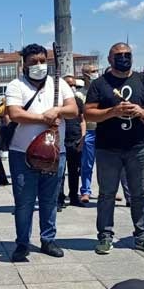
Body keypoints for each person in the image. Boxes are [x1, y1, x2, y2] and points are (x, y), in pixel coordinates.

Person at [84, 43, 144, 255]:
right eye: (119, 55)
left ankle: (143, 235)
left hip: (139, 146)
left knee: (140, 193)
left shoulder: (143, 81)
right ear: (110, 59)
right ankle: (105, 235)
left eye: (127, 54)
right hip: (108, 147)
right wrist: (113, 111)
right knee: (107, 193)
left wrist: (142, 112)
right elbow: (89, 113)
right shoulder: (100, 84)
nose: (124, 58)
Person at [5, 44, 78, 261]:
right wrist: (42, 118)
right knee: (24, 201)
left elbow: (73, 110)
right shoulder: (16, 85)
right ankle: (22, 243)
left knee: (49, 199)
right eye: (33, 62)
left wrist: (58, 110)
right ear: (24, 64)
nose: (38, 65)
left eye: (42, 60)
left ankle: (48, 239)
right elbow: (15, 113)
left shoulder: (59, 83)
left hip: (55, 152)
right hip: (22, 153)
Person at [58, 75, 86, 210]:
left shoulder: (78, 101)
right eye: (69, 84)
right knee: (60, 172)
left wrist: (83, 138)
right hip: (61, 141)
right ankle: (59, 199)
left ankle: (74, 196)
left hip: (75, 140)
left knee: (74, 172)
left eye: (74, 85)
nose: (72, 87)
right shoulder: (58, 102)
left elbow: (82, 120)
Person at [79, 64, 99, 204]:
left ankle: (109, 190)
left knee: (108, 164)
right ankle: (85, 190)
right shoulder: (80, 95)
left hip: (103, 130)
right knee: (87, 164)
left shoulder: (102, 90)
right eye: (93, 71)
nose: (95, 73)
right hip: (89, 131)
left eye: (96, 71)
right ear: (85, 74)